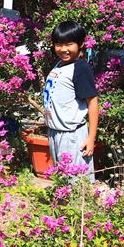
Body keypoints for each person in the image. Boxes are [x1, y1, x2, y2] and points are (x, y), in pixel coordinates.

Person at [42, 20, 99, 182]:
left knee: (77, 182)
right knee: (62, 180)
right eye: (59, 44)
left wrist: (91, 137)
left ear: (80, 44)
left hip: (71, 135)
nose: (63, 49)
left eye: (69, 44)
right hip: (55, 132)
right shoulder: (60, 64)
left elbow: (92, 101)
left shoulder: (80, 69)